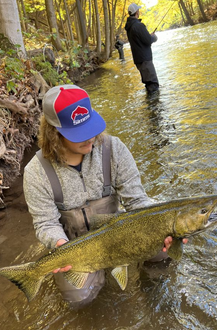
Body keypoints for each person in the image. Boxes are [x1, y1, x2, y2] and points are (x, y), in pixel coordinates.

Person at [23, 84, 187, 306]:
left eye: (91, 127)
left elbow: (137, 201)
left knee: (163, 252)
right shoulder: (36, 172)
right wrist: (60, 245)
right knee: (79, 298)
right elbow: (45, 224)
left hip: (119, 234)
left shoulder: (114, 149)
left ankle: (152, 296)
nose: (90, 137)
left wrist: (166, 224)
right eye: (79, 134)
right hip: (74, 243)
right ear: (54, 134)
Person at [125, 3, 159, 93]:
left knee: (149, 85)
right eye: (138, 10)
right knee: (153, 86)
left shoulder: (129, 27)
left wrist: (148, 36)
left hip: (139, 60)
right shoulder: (138, 25)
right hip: (145, 60)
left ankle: (150, 106)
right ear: (136, 12)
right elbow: (148, 40)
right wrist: (154, 37)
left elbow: (141, 39)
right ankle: (154, 106)